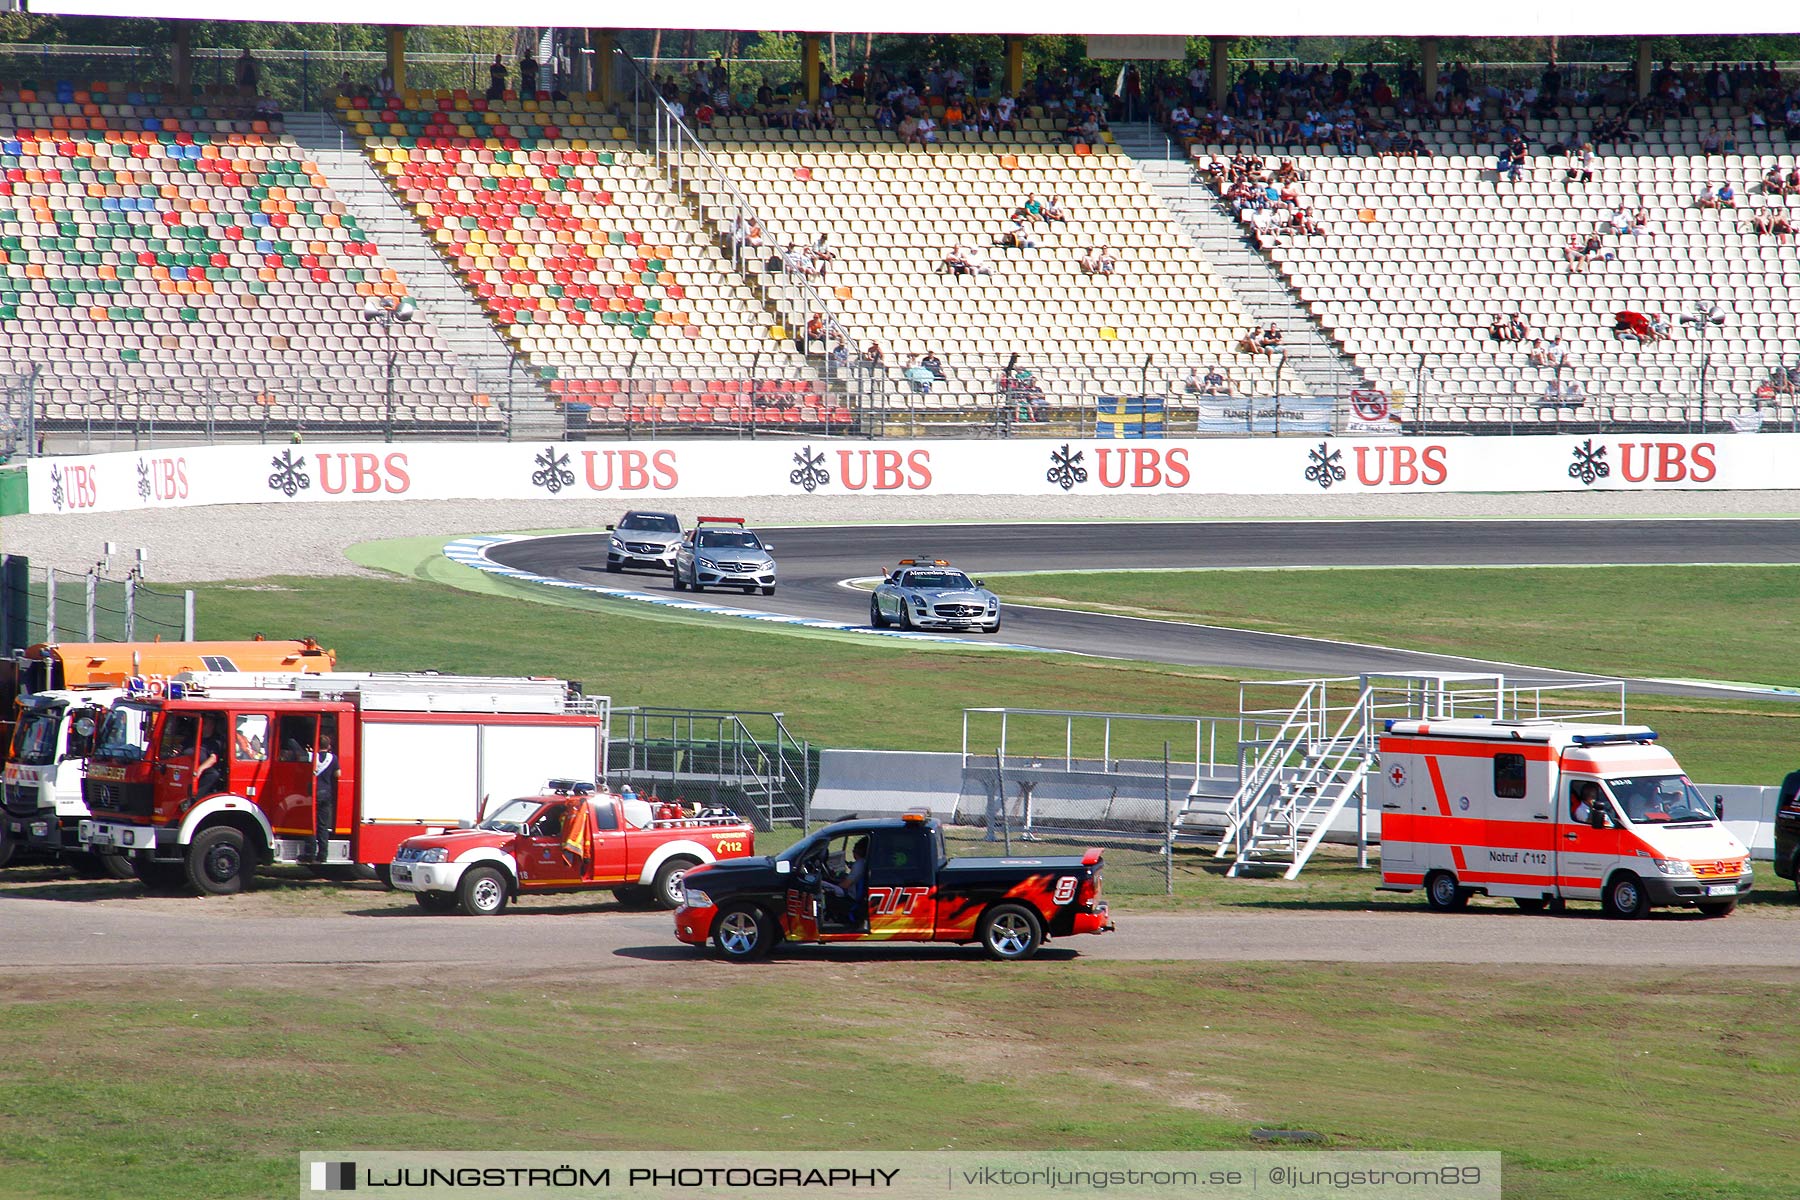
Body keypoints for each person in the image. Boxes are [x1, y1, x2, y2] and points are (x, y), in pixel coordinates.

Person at [822, 836, 869, 925]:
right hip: (852, 893)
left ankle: (828, 919)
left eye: (854, 850)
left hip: (850, 896)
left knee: (822, 886)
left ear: (857, 851)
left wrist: (833, 882)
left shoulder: (859, 865)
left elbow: (845, 885)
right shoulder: (863, 863)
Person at [311, 729, 338, 863]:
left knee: (311, 824)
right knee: (323, 826)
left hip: (313, 794)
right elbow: (338, 774)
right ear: (328, 746)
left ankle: (310, 852)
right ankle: (323, 855)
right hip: (326, 794)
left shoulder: (312, 757)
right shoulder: (333, 758)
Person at [194, 716, 226, 798]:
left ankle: (195, 798)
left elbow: (213, 758)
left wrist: (200, 769)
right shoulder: (193, 737)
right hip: (186, 765)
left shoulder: (215, 742)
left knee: (213, 774)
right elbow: (181, 748)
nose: (200, 725)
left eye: (204, 723)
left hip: (200, 770)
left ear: (212, 726)